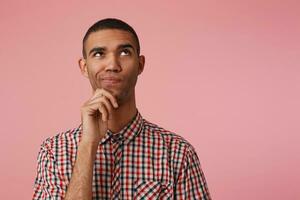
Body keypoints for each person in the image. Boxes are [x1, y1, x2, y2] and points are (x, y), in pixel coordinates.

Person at [32, 18, 211, 199]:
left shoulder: (178, 153)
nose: (112, 65)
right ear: (84, 67)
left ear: (140, 64)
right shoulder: (54, 152)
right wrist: (88, 144)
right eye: (99, 54)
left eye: (124, 53)